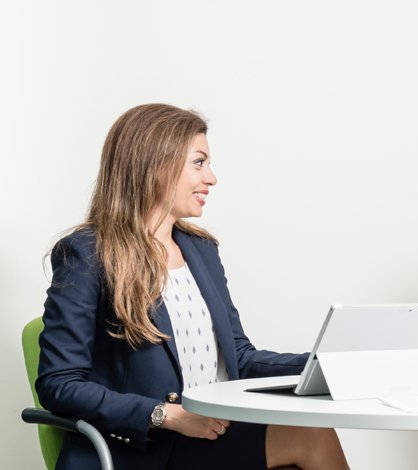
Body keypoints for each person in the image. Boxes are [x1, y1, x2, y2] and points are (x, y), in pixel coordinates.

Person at [36, 103, 349, 470]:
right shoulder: (88, 253)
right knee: (310, 435)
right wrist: (166, 415)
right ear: (155, 163)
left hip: (211, 436)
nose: (212, 178)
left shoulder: (201, 250)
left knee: (308, 427)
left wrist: (323, 365)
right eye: (199, 163)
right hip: (144, 448)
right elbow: (60, 383)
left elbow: (238, 356)